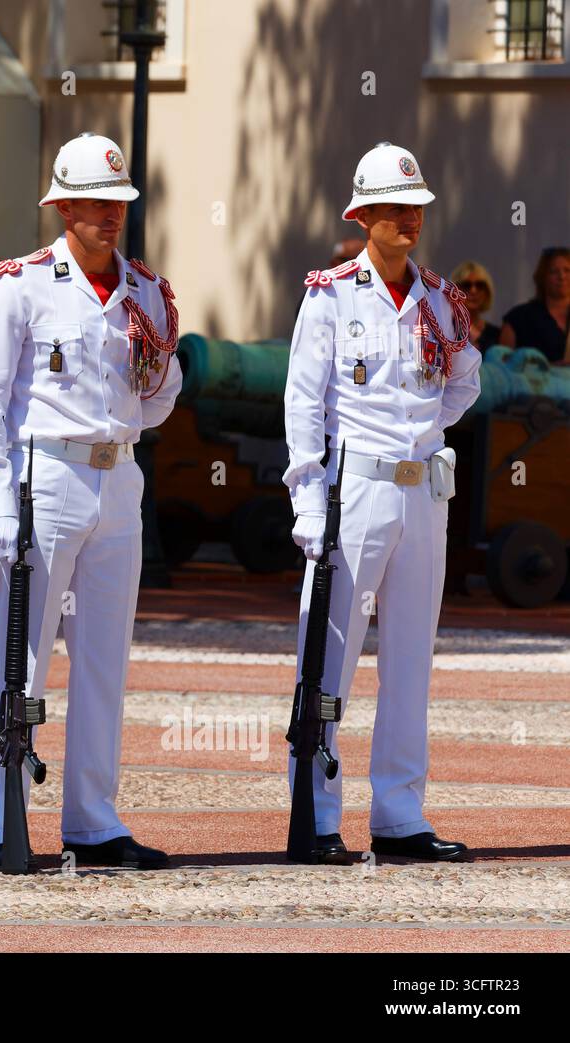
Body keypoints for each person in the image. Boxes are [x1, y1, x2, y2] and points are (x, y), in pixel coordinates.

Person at [0, 132, 181, 870]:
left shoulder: (146, 291)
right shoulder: (21, 285)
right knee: (18, 655)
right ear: (61, 206)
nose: (110, 214)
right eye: (93, 201)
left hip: (118, 474)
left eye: (118, 200)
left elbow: (160, 395)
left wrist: (136, 407)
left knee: (103, 658)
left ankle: (93, 818)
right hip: (44, 476)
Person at [283, 142, 481, 864]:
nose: (409, 220)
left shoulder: (437, 297)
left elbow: (464, 381)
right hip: (355, 486)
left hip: (423, 489)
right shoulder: (332, 294)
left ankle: (400, 813)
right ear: (362, 215)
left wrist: (426, 428)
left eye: (416, 208)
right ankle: (318, 811)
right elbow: (303, 402)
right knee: (328, 654)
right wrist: (307, 499)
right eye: (394, 209)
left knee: (410, 658)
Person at [498, 247, 570, 363]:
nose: (562, 277)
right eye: (554, 271)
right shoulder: (519, 317)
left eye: (567, 270)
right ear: (542, 277)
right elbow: (503, 367)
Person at [450, 260, 501, 353]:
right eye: (466, 285)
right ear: (455, 291)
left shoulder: (496, 335)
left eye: (480, 285)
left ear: (487, 292)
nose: (473, 291)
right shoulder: (444, 329)